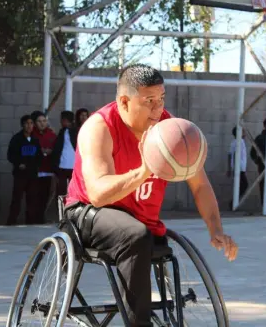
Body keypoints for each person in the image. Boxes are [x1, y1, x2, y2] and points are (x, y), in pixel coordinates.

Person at [64, 64, 238, 326]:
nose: (158, 109)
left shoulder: (169, 129)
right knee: (135, 235)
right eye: (149, 101)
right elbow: (98, 194)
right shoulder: (99, 128)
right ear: (124, 101)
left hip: (139, 221)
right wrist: (145, 169)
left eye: (161, 99)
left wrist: (215, 228)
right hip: (88, 213)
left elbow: (200, 185)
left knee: (142, 235)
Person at [6, 115, 42, 225]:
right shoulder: (16, 139)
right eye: (27, 123)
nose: (29, 126)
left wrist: (36, 166)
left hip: (32, 175)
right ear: (22, 125)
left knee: (32, 199)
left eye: (31, 123)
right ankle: (11, 222)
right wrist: (18, 164)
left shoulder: (35, 140)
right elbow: (10, 155)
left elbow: (39, 156)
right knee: (17, 199)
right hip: (20, 175)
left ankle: (30, 222)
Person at [32, 112, 57, 224]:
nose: (42, 124)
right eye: (39, 121)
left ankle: (41, 219)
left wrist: (51, 152)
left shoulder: (52, 135)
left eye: (44, 121)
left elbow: (57, 150)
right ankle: (33, 220)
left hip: (48, 171)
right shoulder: (31, 135)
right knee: (34, 197)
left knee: (45, 197)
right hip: (34, 171)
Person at [52, 110, 78, 196]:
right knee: (61, 191)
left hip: (73, 166)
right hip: (63, 166)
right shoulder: (62, 132)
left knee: (72, 190)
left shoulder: (75, 131)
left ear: (65, 120)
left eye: (62, 120)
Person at [226, 126, 248, 208]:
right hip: (238, 169)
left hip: (238, 168)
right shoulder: (240, 142)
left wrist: (229, 169)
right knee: (244, 185)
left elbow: (229, 155)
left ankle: (234, 203)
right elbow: (233, 154)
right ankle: (233, 203)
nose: (245, 133)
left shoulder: (234, 142)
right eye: (243, 132)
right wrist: (234, 168)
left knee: (240, 185)